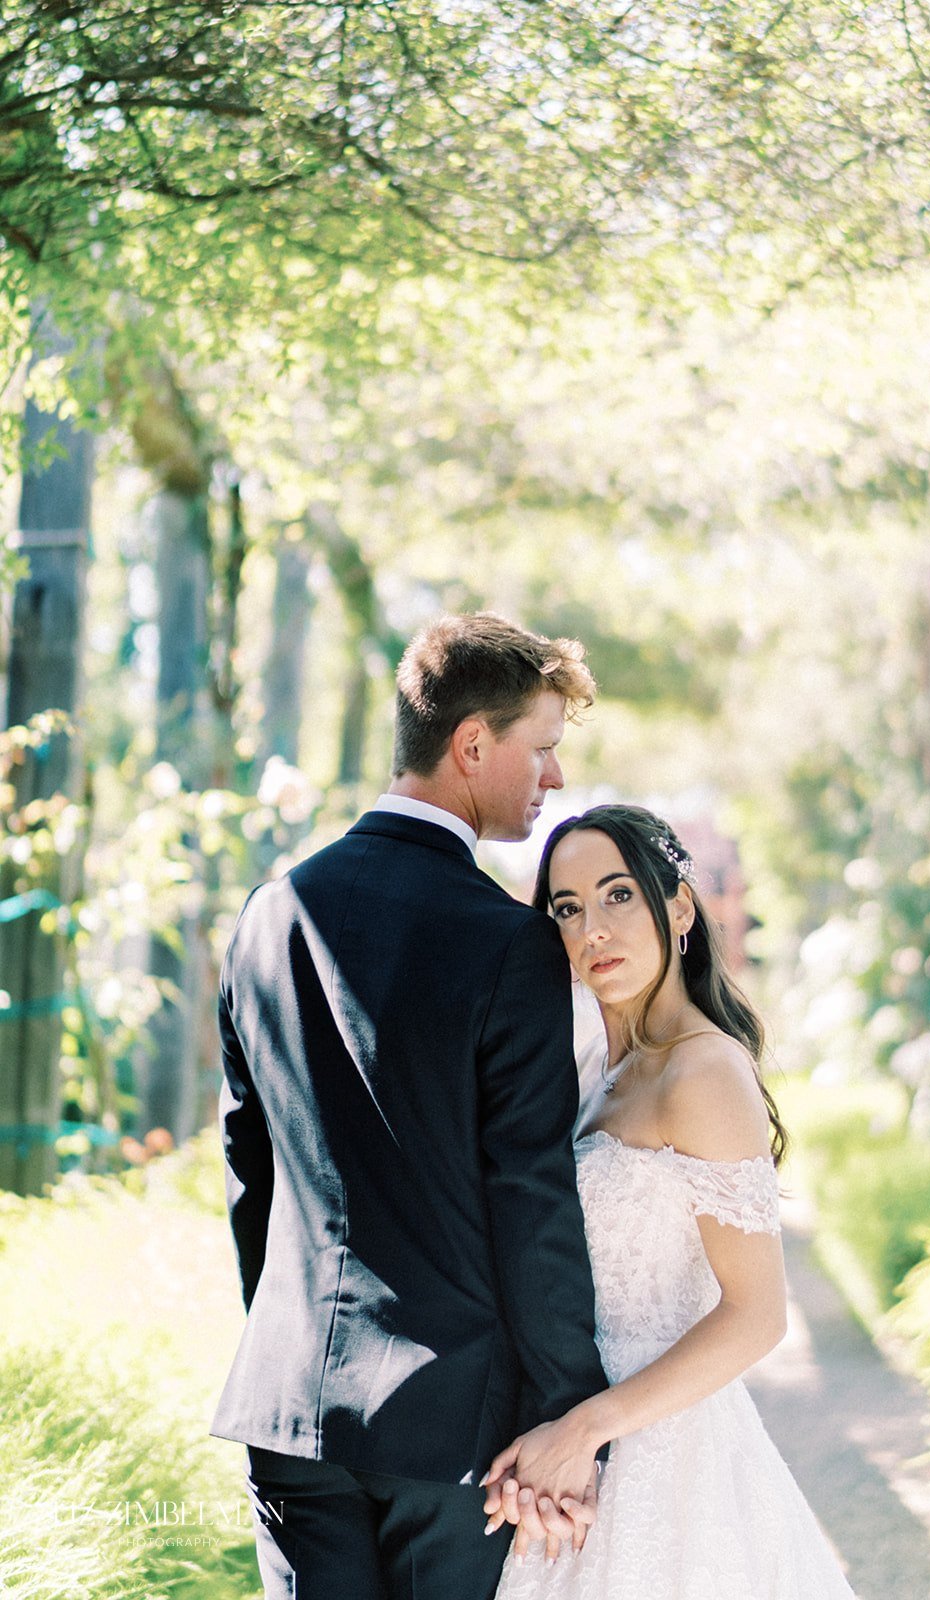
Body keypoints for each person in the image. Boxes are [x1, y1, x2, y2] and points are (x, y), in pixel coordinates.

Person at [211, 613, 609, 1600]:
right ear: (473, 743)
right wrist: (567, 1417)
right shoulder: (507, 943)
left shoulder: (268, 915)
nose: (552, 778)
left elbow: (248, 1171)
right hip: (446, 1422)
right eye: (543, 748)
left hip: (287, 1403)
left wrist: (292, 1339)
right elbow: (529, 1198)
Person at [484, 804, 858, 1599]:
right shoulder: (591, 1072)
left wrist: (583, 1431)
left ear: (678, 907)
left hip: (668, 1452)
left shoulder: (704, 1072)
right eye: (568, 907)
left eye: (618, 895)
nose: (595, 929)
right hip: (576, 1445)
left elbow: (756, 1315)